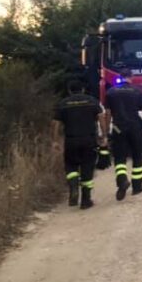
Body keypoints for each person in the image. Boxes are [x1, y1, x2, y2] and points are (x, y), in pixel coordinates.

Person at [53, 80, 106, 209]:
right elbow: (101, 118)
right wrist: (104, 135)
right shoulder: (92, 101)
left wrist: (54, 140)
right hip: (89, 140)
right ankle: (86, 200)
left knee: (71, 165)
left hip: (71, 140)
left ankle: (73, 185)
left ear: (69, 90)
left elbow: (55, 124)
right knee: (87, 169)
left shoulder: (63, 104)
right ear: (83, 89)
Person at [103, 77, 142, 200]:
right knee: (137, 156)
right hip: (135, 127)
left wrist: (106, 131)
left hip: (118, 128)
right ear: (130, 78)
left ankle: (122, 181)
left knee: (120, 157)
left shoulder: (111, 92)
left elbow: (108, 114)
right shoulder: (137, 91)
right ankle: (137, 187)